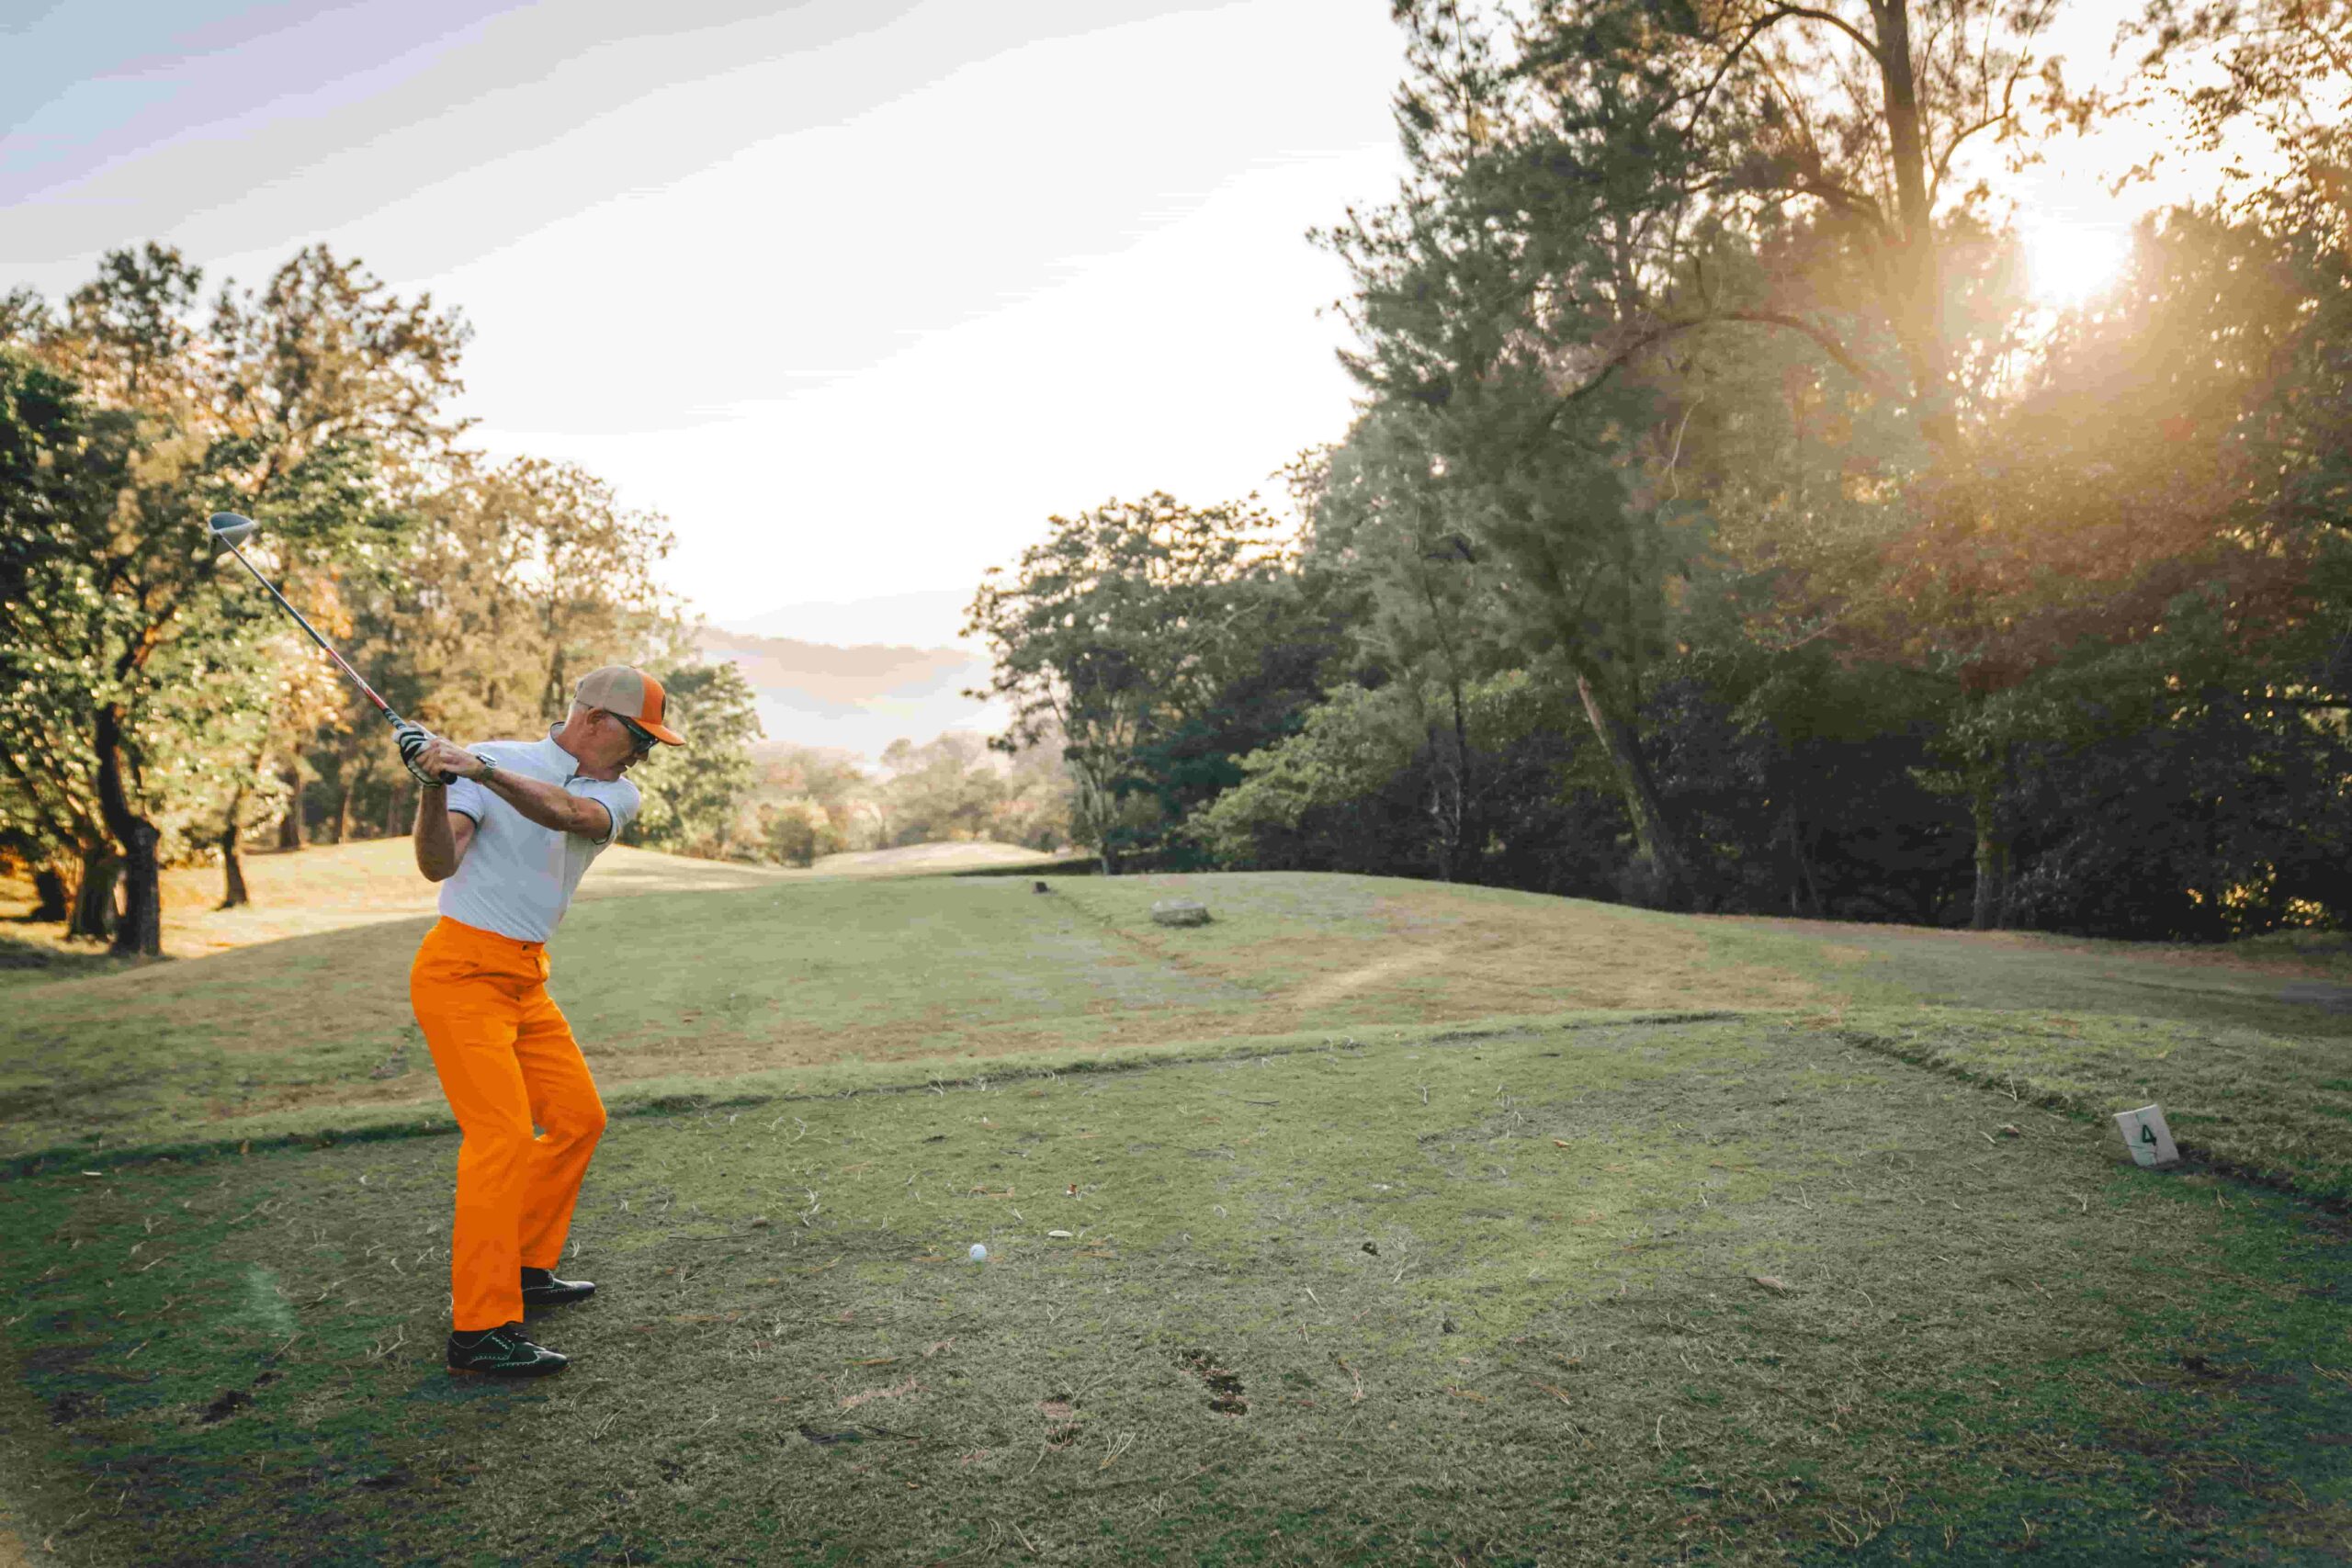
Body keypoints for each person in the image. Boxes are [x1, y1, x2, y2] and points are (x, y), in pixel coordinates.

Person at [397, 666, 685, 1378]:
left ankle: (523, 1266)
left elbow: (563, 814)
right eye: (639, 736)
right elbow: (438, 863)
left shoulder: (616, 792)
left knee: (578, 1118)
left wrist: (475, 766)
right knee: (499, 1138)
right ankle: (480, 1330)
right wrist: (436, 786)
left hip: (526, 977)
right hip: (460, 972)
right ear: (593, 719)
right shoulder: (493, 761)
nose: (643, 753)